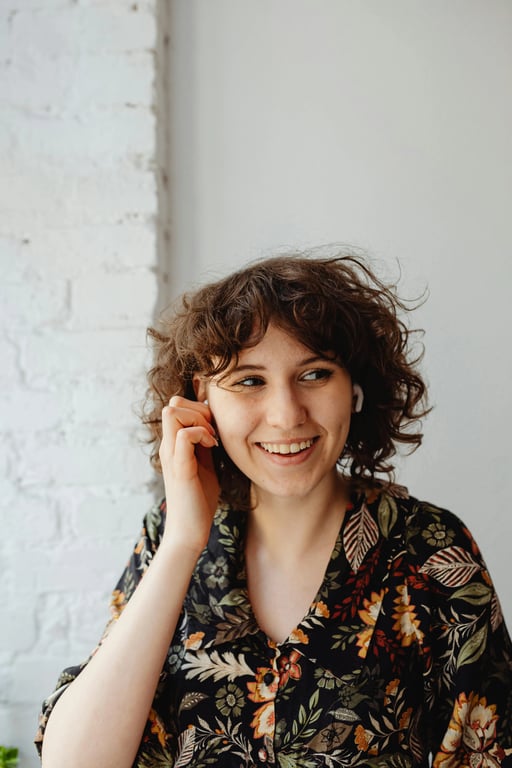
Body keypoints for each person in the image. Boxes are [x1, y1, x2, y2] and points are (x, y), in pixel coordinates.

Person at [36, 253, 512, 768]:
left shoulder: (430, 550)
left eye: (314, 373)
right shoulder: (165, 538)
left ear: (354, 387)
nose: (286, 415)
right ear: (203, 398)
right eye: (248, 380)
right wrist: (181, 543)